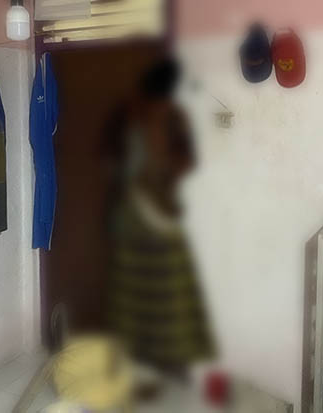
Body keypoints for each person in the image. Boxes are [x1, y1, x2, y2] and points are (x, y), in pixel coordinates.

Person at [105, 57, 214, 379]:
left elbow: (185, 163)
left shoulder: (167, 118)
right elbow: (119, 165)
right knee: (149, 289)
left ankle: (160, 359)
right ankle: (149, 359)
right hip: (140, 214)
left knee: (156, 288)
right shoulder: (140, 117)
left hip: (149, 213)